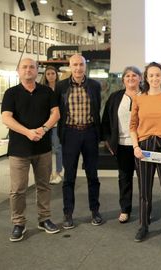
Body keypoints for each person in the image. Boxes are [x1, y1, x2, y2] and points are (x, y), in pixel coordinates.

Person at [1, 58, 60, 242]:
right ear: (18, 71)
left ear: (37, 71)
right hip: (19, 150)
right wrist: (27, 132)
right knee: (18, 189)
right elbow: (6, 118)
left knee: (43, 186)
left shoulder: (46, 91)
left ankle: (44, 219)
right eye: (24, 67)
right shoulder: (11, 93)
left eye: (32, 67)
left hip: (42, 148)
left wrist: (42, 129)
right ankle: (19, 223)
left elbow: (56, 114)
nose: (28, 70)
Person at [129, 62, 161, 243]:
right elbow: (133, 126)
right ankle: (143, 225)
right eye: (151, 75)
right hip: (143, 147)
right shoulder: (138, 99)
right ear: (146, 78)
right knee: (144, 190)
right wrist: (136, 147)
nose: (154, 78)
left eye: (158, 75)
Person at [55, 54, 104, 229]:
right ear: (70, 66)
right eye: (74, 65)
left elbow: (97, 109)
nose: (78, 68)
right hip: (70, 134)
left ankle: (95, 211)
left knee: (93, 175)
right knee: (69, 177)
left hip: (90, 133)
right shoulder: (61, 86)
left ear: (85, 66)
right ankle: (68, 214)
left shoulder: (94, 85)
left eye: (81, 65)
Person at [102, 66, 141, 224]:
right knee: (124, 178)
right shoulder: (115, 97)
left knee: (144, 180)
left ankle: (146, 209)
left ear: (140, 78)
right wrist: (109, 142)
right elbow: (106, 121)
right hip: (122, 145)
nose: (131, 78)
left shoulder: (146, 96)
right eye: (127, 76)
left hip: (142, 145)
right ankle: (125, 209)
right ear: (123, 79)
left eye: (134, 75)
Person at [40, 66, 63, 185]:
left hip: (58, 123)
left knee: (58, 148)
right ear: (45, 75)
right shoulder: (42, 89)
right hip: (45, 124)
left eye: (52, 73)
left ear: (56, 74)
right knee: (46, 150)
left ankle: (58, 172)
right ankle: (48, 173)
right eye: (48, 74)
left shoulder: (60, 88)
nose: (50, 76)